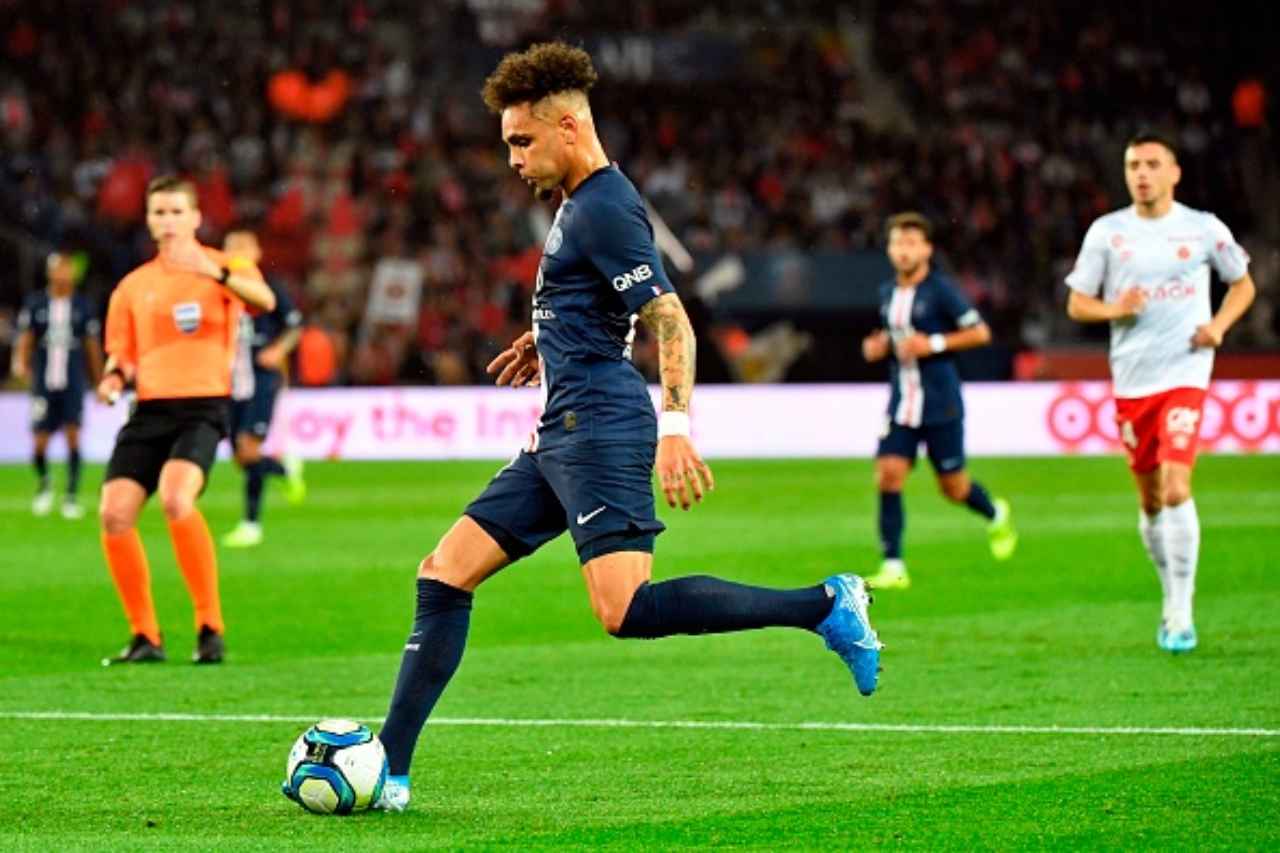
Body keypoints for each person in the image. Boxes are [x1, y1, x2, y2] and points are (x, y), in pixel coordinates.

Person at [300, 43, 882, 814]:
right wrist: (545, 337)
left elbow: (670, 318)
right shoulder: (578, 204)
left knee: (624, 609)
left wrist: (676, 424)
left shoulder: (605, 205)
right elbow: (597, 301)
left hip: (602, 425)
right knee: (443, 572)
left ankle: (825, 604)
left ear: (568, 127)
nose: (512, 159)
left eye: (521, 141)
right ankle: (393, 774)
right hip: (560, 427)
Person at [1065, 132, 1255, 654]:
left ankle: (1181, 612)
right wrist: (1115, 309)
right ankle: (1169, 594)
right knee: (1150, 502)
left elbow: (1243, 284)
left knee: (1175, 488)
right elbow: (1078, 303)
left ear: (1174, 173)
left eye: (1152, 164)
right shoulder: (1108, 232)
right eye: (1133, 165)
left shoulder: (1203, 228)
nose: (1142, 174)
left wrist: (1218, 326)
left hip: (1185, 373)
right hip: (1133, 380)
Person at [97, 176, 276, 666]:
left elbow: (264, 301)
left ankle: (209, 627)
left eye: (177, 211)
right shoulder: (133, 286)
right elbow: (122, 353)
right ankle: (144, 636)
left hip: (203, 406)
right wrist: (113, 378)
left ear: (196, 217)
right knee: (114, 513)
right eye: (160, 212)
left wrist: (214, 273)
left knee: (176, 498)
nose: (169, 221)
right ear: (149, 220)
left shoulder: (226, 265)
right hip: (149, 409)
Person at [860, 213, 1017, 590]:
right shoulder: (887, 293)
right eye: (898, 243)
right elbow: (892, 338)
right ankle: (893, 567)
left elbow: (980, 332)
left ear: (927, 249)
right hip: (902, 403)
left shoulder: (941, 291)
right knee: (888, 474)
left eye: (911, 243)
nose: (904, 251)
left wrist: (932, 343)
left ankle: (995, 514)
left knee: (954, 488)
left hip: (940, 403)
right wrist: (877, 347)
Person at [220, 228, 306, 548]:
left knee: (248, 448)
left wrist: (278, 350)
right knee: (240, 457)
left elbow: (295, 325)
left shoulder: (269, 287)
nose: (238, 252)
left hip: (260, 377)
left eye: (244, 246)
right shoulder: (219, 288)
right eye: (231, 246)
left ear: (256, 253)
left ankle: (251, 525)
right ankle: (283, 469)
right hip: (231, 379)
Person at [10, 251, 103, 519]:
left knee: (74, 437)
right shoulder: (36, 303)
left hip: (72, 383)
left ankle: (71, 496)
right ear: (49, 272)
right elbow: (26, 338)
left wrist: (99, 380)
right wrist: (21, 364)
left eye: (67, 268)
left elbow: (91, 346)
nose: (63, 273)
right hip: (43, 383)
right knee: (39, 443)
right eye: (58, 268)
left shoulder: (83, 306)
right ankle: (44, 484)